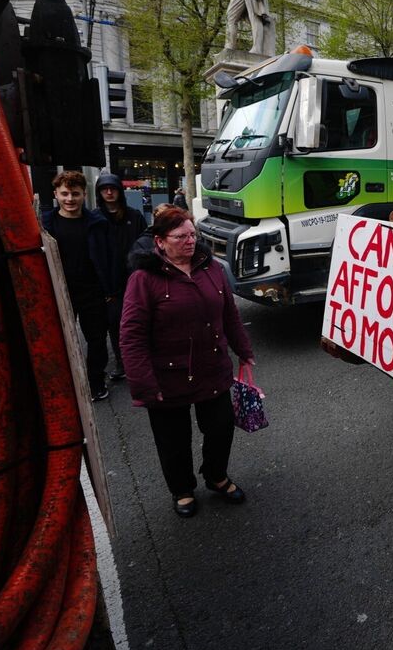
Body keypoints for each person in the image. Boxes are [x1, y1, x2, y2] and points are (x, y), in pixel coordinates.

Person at [120, 206, 255, 518]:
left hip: (212, 369)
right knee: (173, 440)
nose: (190, 241)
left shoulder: (213, 269)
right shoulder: (144, 279)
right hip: (167, 378)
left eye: (193, 235)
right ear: (160, 241)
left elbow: (230, 315)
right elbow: (131, 335)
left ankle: (216, 476)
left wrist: (244, 351)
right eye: (180, 236)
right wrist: (143, 385)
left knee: (221, 428)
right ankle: (182, 489)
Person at [42, 170, 112, 401]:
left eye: (75, 194)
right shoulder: (45, 224)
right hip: (61, 291)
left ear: (84, 194)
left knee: (97, 340)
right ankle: (67, 383)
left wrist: (108, 289)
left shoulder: (98, 224)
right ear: (55, 194)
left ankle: (95, 382)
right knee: (62, 340)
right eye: (64, 194)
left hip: (93, 291)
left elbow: (107, 258)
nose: (69, 199)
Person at [95, 172, 147, 382]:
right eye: (104, 189)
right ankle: (121, 361)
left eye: (113, 188)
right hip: (111, 282)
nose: (109, 193)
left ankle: (141, 359)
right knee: (115, 325)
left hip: (135, 278)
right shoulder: (96, 218)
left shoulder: (134, 216)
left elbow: (146, 243)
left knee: (141, 321)